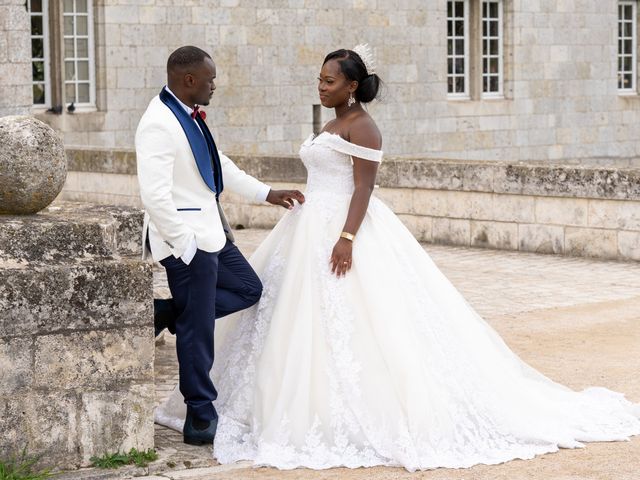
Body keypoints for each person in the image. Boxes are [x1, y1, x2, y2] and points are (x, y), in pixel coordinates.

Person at [155, 45, 640, 471]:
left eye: (329, 81)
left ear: (351, 86)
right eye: (319, 80)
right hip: (305, 225)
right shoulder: (332, 120)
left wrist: (346, 237)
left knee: (353, 321)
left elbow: (364, 187)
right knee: (275, 307)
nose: (320, 87)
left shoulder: (364, 126)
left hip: (343, 228)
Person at [136, 46, 304, 446]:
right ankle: (200, 411)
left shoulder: (187, 114)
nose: (215, 85)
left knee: (249, 288)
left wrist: (268, 193)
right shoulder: (158, 123)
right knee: (198, 330)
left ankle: (170, 311)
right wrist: (185, 246)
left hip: (211, 233)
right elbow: (155, 196)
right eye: (210, 79)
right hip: (186, 242)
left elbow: (218, 164)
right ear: (189, 79)